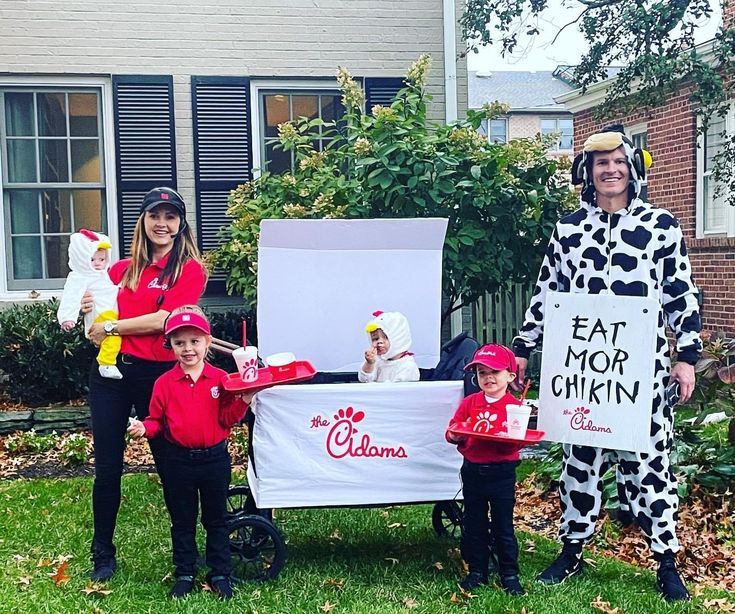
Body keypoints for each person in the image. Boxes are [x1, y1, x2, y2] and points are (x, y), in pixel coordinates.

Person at [512, 126, 701, 602]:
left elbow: (680, 292)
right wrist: (522, 347)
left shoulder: (661, 227)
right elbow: (546, 293)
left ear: (632, 168)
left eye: (618, 161)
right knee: (580, 462)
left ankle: (665, 561)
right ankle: (572, 549)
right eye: (601, 163)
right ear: (588, 172)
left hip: (643, 369)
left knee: (651, 464)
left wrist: (688, 356)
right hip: (582, 371)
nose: (610, 170)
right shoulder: (569, 230)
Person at [82, 187, 208, 582]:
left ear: (180, 224)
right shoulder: (118, 271)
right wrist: (89, 311)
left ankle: (185, 556)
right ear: (143, 221)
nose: (162, 224)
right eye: (155, 215)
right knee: (107, 469)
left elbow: (165, 320)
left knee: (172, 466)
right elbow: (94, 327)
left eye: (170, 216)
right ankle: (102, 553)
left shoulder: (189, 270)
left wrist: (112, 326)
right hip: (112, 376)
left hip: (158, 378)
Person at [128, 308, 253, 600]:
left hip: (214, 460)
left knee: (216, 519)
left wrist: (244, 399)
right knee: (182, 520)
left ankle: (220, 572)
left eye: (195, 341)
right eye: (180, 343)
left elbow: (227, 418)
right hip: (178, 462)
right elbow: (156, 421)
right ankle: (185, 572)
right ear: (170, 346)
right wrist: (144, 428)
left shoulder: (221, 379)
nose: (188, 349)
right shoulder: (164, 383)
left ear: (207, 342)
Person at [445, 344, 526, 596]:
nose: (488, 378)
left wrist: (510, 436)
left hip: (502, 473)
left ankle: (509, 574)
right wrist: (457, 434)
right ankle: (476, 571)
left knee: (504, 526)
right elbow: (452, 432)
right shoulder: (470, 403)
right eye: (481, 373)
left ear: (510, 376)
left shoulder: (515, 408)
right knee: (474, 524)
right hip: (473, 472)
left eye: (495, 372)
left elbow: (519, 441)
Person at [57, 229, 122, 379]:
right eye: (92, 260)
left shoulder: (104, 274)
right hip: (100, 314)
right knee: (114, 336)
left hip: (111, 313)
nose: (98, 264)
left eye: (102, 259)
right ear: (82, 259)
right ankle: (106, 363)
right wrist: (68, 318)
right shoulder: (79, 277)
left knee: (116, 335)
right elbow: (71, 297)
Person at [358, 310, 420, 382]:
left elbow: (397, 391)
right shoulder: (377, 361)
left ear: (398, 339)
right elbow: (364, 379)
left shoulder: (407, 367)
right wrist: (369, 363)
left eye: (386, 337)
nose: (379, 342)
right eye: (375, 339)